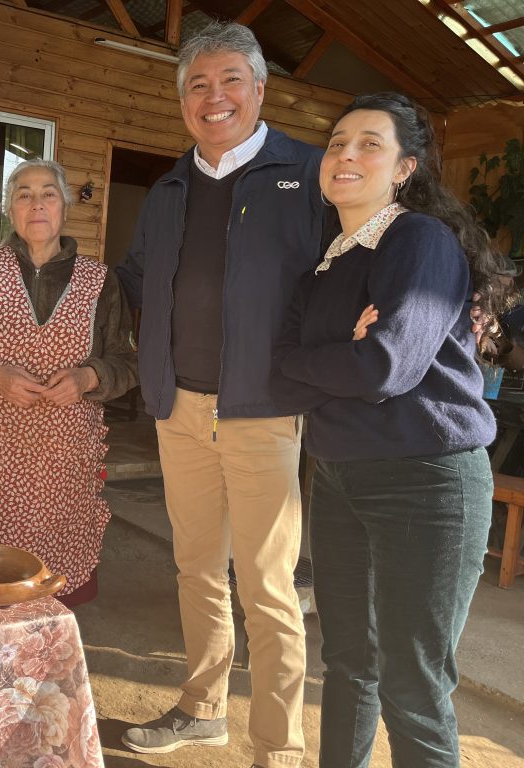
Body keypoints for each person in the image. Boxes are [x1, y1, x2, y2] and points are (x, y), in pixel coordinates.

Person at [270, 92, 514, 768]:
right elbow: (279, 372)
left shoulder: (418, 240)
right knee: (348, 662)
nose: (345, 154)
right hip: (340, 477)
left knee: (412, 681)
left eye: (368, 143)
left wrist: (341, 358)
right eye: (338, 141)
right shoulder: (328, 260)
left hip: (427, 482)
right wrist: (338, 357)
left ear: (405, 166)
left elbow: (384, 366)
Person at [115, 21, 330, 768]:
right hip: (181, 409)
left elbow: (353, 263)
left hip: (263, 408)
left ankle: (278, 745)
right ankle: (202, 707)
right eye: (198, 85)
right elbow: (137, 280)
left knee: (268, 585)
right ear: (183, 102)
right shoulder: (169, 188)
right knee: (196, 567)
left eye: (230, 79)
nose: (215, 97)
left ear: (260, 89)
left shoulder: (306, 174)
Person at [0, 158, 138, 607]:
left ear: (63, 208)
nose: (36, 204)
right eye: (24, 194)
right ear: (10, 209)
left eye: (48, 194)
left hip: (62, 467)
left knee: (49, 584)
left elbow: (126, 361)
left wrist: (88, 376)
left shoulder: (101, 282)